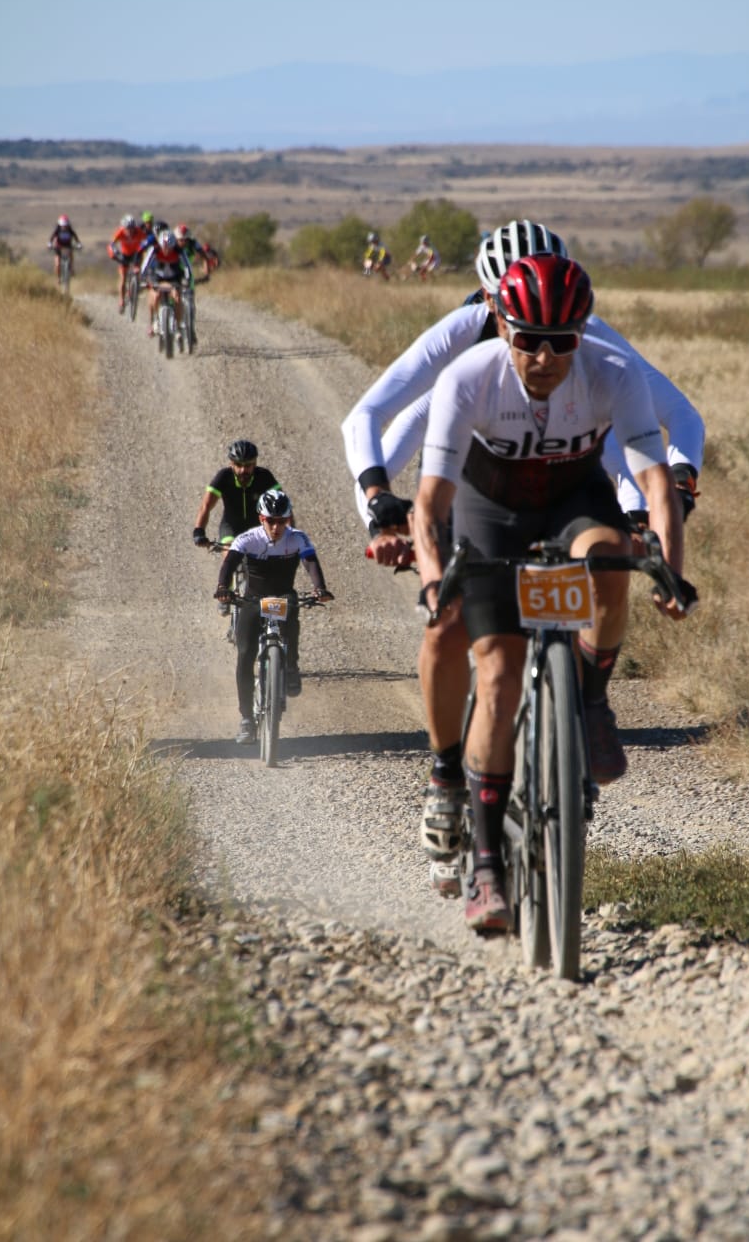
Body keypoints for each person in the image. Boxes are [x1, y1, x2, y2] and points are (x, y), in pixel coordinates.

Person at [340, 221, 704, 893]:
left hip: (567, 491)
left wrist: (653, 524)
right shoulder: (466, 354)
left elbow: (639, 446)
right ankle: (447, 776)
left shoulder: (594, 352)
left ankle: (589, 703)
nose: (544, 351)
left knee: (607, 558)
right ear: (492, 303)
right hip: (480, 494)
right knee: (454, 631)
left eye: (560, 336)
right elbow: (395, 424)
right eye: (522, 330)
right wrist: (382, 508)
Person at [214, 489, 333, 743]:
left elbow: (311, 562)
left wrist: (320, 588)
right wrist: (223, 587)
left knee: (292, 618)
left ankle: (291, 667)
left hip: (282, 597)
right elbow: (229, 564)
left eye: (282, 521)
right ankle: (247, 719)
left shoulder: (297, 538)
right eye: (271, 521)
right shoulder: (248, 539)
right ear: (261, 519)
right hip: (253, 601)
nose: (276, 527)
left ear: (288, 519)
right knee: (245, 656)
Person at [192, 439, 280, 547]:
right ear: (231, 464)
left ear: (255, 463)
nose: (243, 470)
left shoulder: (264, 476)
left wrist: (289, 533)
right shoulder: (224, 477)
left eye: (247, 465)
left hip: (259, 527)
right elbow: (206, 506)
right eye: (238, 465)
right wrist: (199, 531)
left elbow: (283, 505)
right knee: (231, 552)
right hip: (231, 527)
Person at [139, 228, 194, 340]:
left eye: (170, 247)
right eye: (164, 247)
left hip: (174, 277)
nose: (167, 250)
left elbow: (187, 266)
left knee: (177, 297)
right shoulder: (155, 250)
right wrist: (143, 278)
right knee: (155, 295)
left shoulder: (179, 251)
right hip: (158, 277)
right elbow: (145, 265)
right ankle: (155, 320)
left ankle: (178, 326)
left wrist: (187, 279)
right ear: (160, 245)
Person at [107, 214, 147, 312]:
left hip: (136, 254)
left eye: (132, 228)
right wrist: (113, 254)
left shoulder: (139, 232)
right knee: (123, 278)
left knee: (137, 270)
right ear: (123, 228)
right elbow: (111, 244)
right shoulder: (120, 232)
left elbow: (147, 242)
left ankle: (134, 288)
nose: (130, 231)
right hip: (125, 255)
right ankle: (121, 300)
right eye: (128, 228)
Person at [48, 214, 82, 281]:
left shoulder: (70, 231)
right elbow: (52, 237)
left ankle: (71, 269)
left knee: (71, 257)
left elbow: (76, 237)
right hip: (58, 247)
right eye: (62, 226)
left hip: (68, 247)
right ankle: (58, 278)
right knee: (57, 264)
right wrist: (50, 244)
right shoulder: (57, 231)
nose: (64, 227)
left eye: (65, 226)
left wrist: (79, 244)